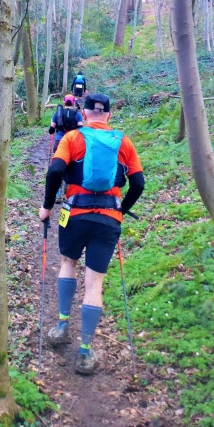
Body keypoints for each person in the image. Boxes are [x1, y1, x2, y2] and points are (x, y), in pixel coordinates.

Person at [39, 93, 145, 375]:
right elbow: (138, 183)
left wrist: (47, 207)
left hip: (73, 214)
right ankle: (85, 351)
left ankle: (62, 325)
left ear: (84, 114)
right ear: (109, 115)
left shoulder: (72, 138)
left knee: (67, 263)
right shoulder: (123, 142)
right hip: (108, 218)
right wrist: (122, 210)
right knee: (94, 284)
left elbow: (54, 172)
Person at [48, 95, 83, 202]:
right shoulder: (77, 114)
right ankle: (67, 191)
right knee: (71, 166)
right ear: (73, 103)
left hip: (59, 142)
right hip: (73, 142)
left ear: (64, 102)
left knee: (58, 166)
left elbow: (51, 129)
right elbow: (81, 128)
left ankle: (58, 194)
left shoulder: (58, 114)